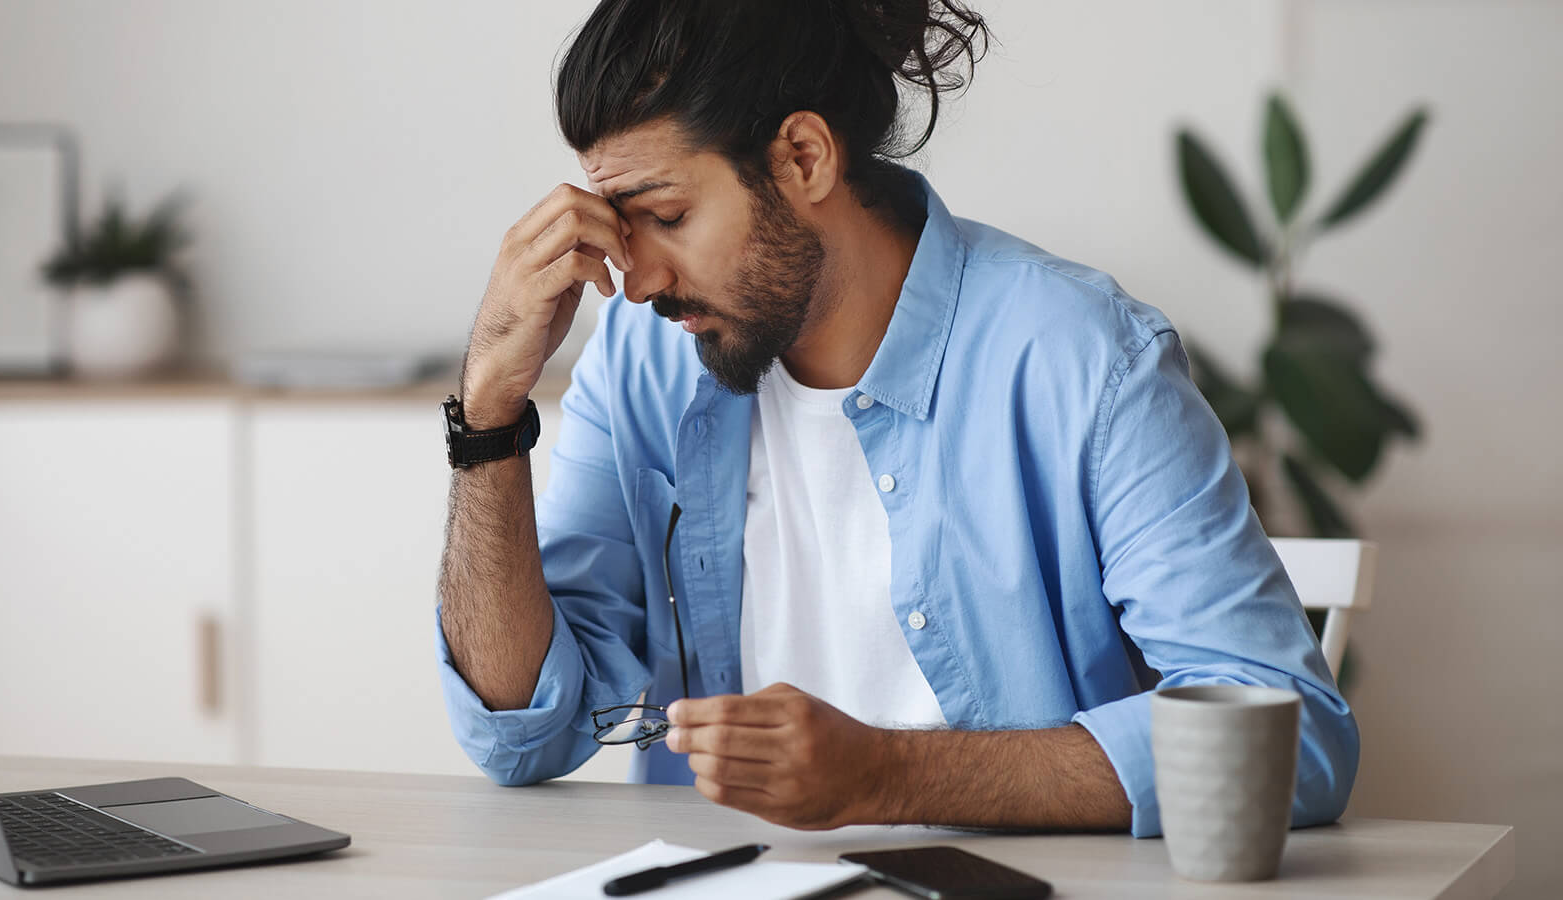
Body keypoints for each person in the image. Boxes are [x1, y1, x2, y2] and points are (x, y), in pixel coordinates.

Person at [434, 0, 1357, 837]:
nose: (636, 281)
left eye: (665, 215)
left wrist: (884, 775)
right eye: (619, 225)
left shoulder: (1084, 360)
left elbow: (1294, 732)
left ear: (804, 157)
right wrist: (489, 413)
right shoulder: (642, 363)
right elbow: (523, 732)